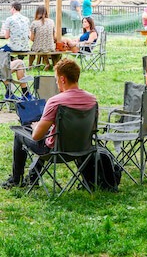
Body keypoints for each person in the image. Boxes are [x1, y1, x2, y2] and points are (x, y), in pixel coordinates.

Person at [2, 58, 97, 189]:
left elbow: (36, 136)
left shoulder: (56, 101)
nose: (57, 83)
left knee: (22, 134)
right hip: (82, 148)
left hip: (55, 151)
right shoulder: (92, 100)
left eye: (57, 79)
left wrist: (36, 127)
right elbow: (92, 128)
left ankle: (16, 179)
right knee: (50, 133)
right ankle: (33, 177)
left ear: (63, 79)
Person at [29, 6, 56, 70]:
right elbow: (54, 37)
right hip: (51, 46)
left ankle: (30, 66)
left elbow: (32, 38)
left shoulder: (34, 23)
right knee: (44, 48)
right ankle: (47, 63)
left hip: (39, 47)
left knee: (34, 49)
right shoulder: (51, 22)